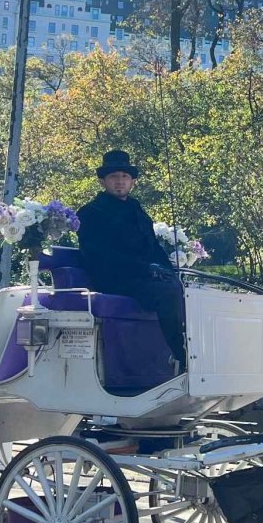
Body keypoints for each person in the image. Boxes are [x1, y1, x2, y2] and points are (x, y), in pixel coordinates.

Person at [76, 150, 188, 372]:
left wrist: (168, 270)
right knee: (167, 292)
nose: (120, 182)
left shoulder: (137, 210)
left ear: (132, 182)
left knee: (184, 288)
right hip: (113, 279)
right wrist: (145, 268)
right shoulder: (91, 213)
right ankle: (179, 354)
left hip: (143, 278)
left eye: (125, 177)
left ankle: (195, 350)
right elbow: (99, 256)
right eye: (114, 177)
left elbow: (153, 247)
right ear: (102, 181)